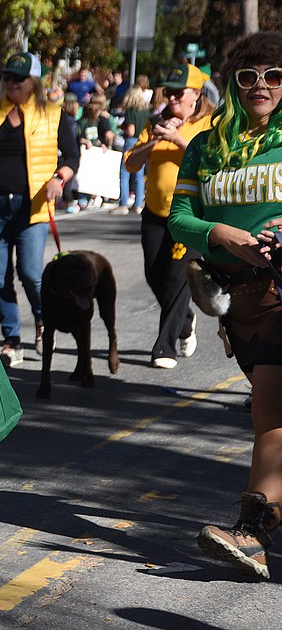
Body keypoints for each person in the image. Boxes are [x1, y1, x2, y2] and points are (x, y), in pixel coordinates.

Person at [168, 31, 282, 578]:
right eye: (249, 76)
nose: (262, 85)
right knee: (270, 411)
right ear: (234, 84)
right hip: (242, 299)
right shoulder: (206, 147)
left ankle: (255, 528)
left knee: (272, 410)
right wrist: (223, 233)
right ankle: (257, 530)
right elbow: (180, 219)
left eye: (275, 75)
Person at [0, 52, 80, 367]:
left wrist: (59, 178)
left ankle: (43, 321)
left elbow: (72, 156)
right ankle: (12, 340)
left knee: (29, 273)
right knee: (0, 277)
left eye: (18, 78)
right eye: (7, 77)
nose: (11, 83)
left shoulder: (53, 113)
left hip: (34, 206)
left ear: (34, 82)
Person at [123, 62, 216, 369]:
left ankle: (164, 347)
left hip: (189, 214)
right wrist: (154, 141)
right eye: (169, 92)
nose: (173, 98)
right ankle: (185, 319)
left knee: (177, 278)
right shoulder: (156, 123)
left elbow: (214, 164)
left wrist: (179, 142)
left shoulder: (209, 123)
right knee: (154, 273)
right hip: (155, 212)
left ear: (196, 95)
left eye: (179, 93)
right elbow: (131, 164)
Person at [115, 76, 151, 215]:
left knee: (125, 173)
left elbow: (130, 131)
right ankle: (137, 204)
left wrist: (122, 127)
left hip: (132, 141)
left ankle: (123, 203)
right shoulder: (146, 109)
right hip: (143, 140)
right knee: (139, 174)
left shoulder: (131, 110)